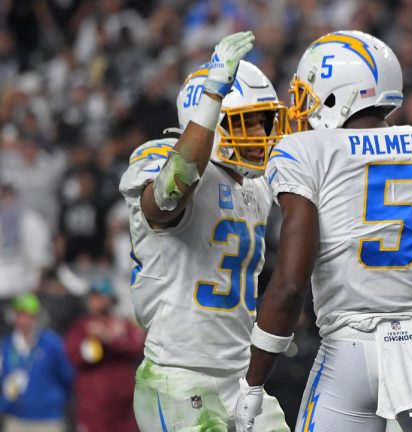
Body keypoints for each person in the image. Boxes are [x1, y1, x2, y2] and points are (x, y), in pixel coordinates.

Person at [235, 30, 412, 431]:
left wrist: (253, 383)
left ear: (337, 95)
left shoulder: (305, 153)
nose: (302, 107)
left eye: (309, 94)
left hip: (347, 356)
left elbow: (288, 286)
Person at [118, 31, 290, 431]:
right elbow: (165, 198)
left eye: (264, 123)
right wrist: (213, 94)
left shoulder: (256, 185)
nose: (261, 137)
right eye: (248, 123)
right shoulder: (161, 157)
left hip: (242, 373)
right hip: (179, 375)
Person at [64, 278, 145, 432]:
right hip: (94, 412)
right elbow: (76, 356)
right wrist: (99, 341)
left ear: (112, 299)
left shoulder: (125, 324)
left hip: (124, 412)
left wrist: (113, 339)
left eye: (101, 296)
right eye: (93, 296)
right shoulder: (81, 327)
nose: (97, 300)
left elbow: (138, 347)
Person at [0, 293, 73, 432]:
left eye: (31, 315)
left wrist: (54, 400)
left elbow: (67, 376)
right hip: (15, 419)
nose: (26, 320)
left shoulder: (51, 343)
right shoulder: (6, 346)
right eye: (22, 314)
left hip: (48, 420)